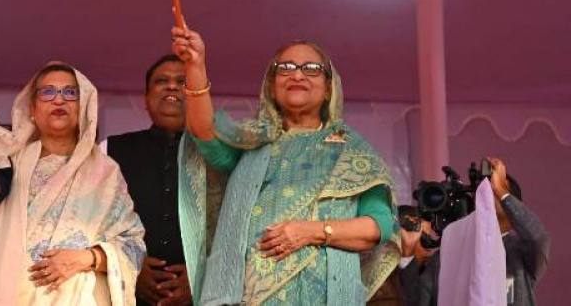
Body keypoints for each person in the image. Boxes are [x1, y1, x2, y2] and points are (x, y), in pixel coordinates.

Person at [171, 26, 400, 305]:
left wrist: (311, 231)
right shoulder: (251, 141)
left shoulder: (351, 151)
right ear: (271, 85)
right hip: (246, 297)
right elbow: (204, 132)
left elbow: (379, 226)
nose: (297, 74)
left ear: (329, 87)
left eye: (311, 68)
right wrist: (195, 64)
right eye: (286, 67)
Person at [0, 62, 146, 306]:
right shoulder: (11, 159)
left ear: (84, 106)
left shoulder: (105, 172)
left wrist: (88, 258)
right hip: (7, 296)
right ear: (32, 108)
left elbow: (133, 245)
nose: (59, 100)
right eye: (48, 92)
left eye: (70, 92)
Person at [398, 157, 550, 306]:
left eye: (494, 190)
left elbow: (538, 237)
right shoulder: (448, 254)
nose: (487, 194)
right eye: (484, 190)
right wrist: (407, 255)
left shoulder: (520, 253)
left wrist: (501, 191)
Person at [108, 54, 192, 306]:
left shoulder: (221, 155)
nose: (172, 86)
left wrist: (204, 276)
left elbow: (235, 229)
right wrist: (128, 267)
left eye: (182, 81)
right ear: (146, 98)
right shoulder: (110, 150)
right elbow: (93, 223)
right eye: (161, 81)